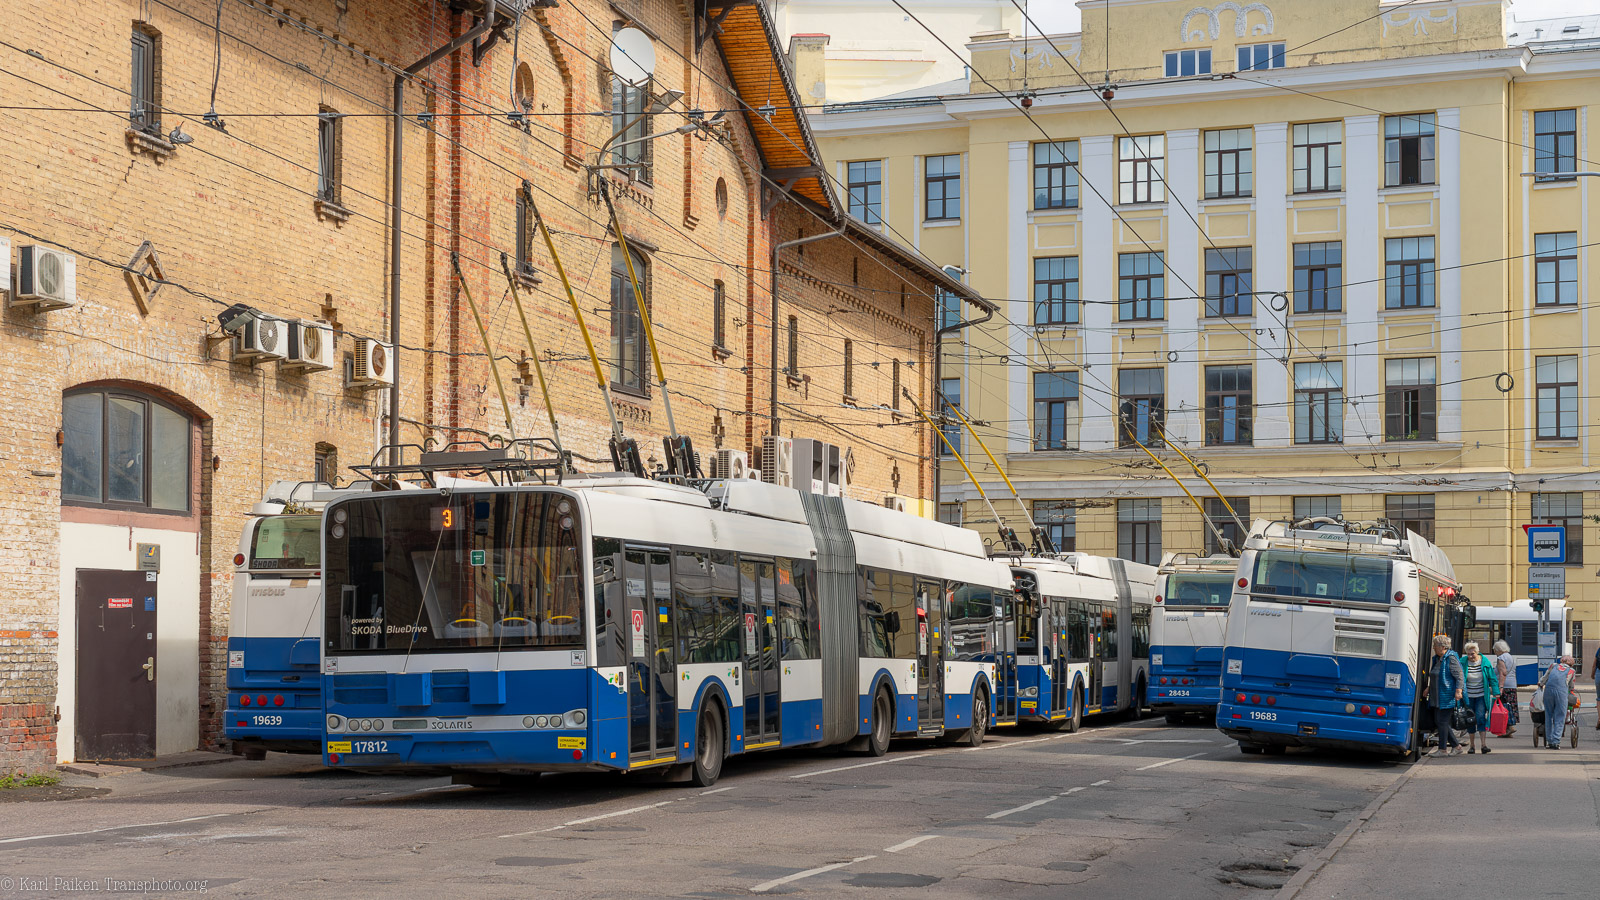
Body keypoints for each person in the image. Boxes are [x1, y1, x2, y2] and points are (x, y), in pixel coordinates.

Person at [1428, 634, 1465, 757]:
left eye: (1435, 645)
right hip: (1437, 695)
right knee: (1439, 721)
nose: (1433, 648)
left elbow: (1459, 675)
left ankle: (1442, 749)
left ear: (1443, 647)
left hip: (1446, 695)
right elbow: (1435, 675)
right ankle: (1456, 746)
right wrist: (1428, 688)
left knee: (1442, 721)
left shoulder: (1451, 658)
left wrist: (1459, 691)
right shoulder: (1437, 659)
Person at [1460, 642, 1499, 754]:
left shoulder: (1485, 662)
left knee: (1481, 718)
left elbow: (1492, 678)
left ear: (1477, 652)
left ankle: (1483, 745)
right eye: (1468, 654)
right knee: (1470, 720)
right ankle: (1472, 746)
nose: (1470, 656)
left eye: (1472, 654)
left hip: (1481, 695)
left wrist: (1496, 692)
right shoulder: (1463, 662)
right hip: (1468, 697)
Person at [1539, 654, 1577, 749]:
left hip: (1549, 692)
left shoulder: (1553, 666)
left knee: (1549, 715)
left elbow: (1545, 677)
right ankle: (1556, 741)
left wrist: (1540, 684)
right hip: (1561, 693)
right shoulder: (1571, 671)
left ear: (1562, 660)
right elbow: (1571, 686)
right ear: (1571, 664)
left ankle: (1549, 741)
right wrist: (1571, 690)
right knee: (1560, 716)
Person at [1493, 640, 1518, 737]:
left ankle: (1509, 727)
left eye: (1495, 650)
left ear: (1499, 650)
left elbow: (1503, 673)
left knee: (1503, 707)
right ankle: (1508, 729)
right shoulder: (1510, 657)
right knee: (1510, 706)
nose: (1494, 652)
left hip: (1505, 685)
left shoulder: (1501, 658)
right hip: (1512, 685)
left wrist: (1500, 687)